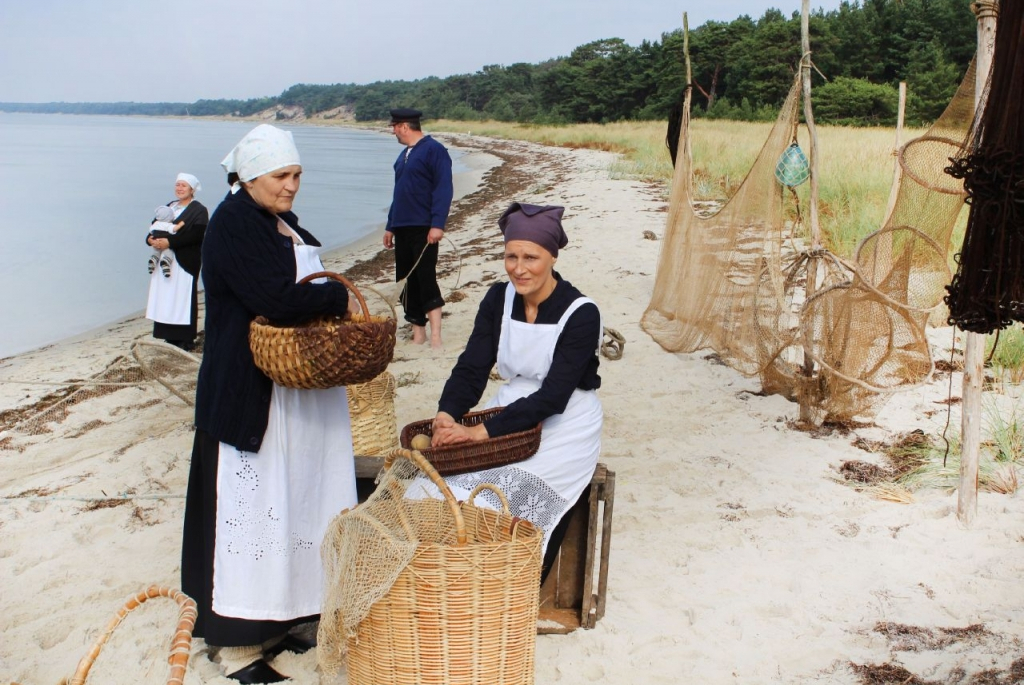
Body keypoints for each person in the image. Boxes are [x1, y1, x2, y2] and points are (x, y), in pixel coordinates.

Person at [182, 124, 358, 683]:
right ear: (250, 176)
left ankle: (284, 616)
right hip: (250, 390)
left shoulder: (275, 219)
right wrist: (334, 294)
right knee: (250, 514)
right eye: (282, 176)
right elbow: (275, 300)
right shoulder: (233, 222)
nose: (292, 186)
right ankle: (235, 646)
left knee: (298, 501)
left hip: (294, 390)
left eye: (298, 174)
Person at [429, 202, 603, 579]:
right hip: (510, 407)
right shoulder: (498, 299)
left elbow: (553, 397)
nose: (519, 268)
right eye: (511, 256)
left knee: (513, 499)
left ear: (552, 257)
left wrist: (476, 433)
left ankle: (519, 583)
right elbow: (473, 367)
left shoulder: (582, 313)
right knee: (448, 488)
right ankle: (465, 580)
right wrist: (447, 415)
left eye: (531, 257)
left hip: (566, 421)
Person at [383, 107, 453, 349]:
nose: (393, 131)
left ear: (404, 126)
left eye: (395, 127)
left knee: (425, 277)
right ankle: (418, 332)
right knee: (405, 279)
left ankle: (435, 335)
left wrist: (437, 224)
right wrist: (390, 226)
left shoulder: (435, 150)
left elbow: (443, 189)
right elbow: (398, 192)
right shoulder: (402, 155)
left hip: (423, 227)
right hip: (401, 226)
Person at [144, 172, 208, 351]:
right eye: (177, 185)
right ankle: (168, 336)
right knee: (165, 298)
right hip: (165, 261)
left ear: (192, 189)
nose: (179, 188)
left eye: (184, 186)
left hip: (184, 261)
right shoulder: (169, 207)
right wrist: (150, 240)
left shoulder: (198, 210)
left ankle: (185, 338)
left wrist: (170, 242)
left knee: (182, 298)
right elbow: (154, 227)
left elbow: (196, 236)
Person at [146, 205, 184, 277]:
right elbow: (175, 229)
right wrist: (181, 224)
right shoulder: (168, 225)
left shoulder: (155, 224)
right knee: (168, 254)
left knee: (156, 253)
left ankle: (153, 260)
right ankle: (165, 263)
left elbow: (151, 232)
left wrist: (150, 240)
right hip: (165, 244)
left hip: (155, 242)